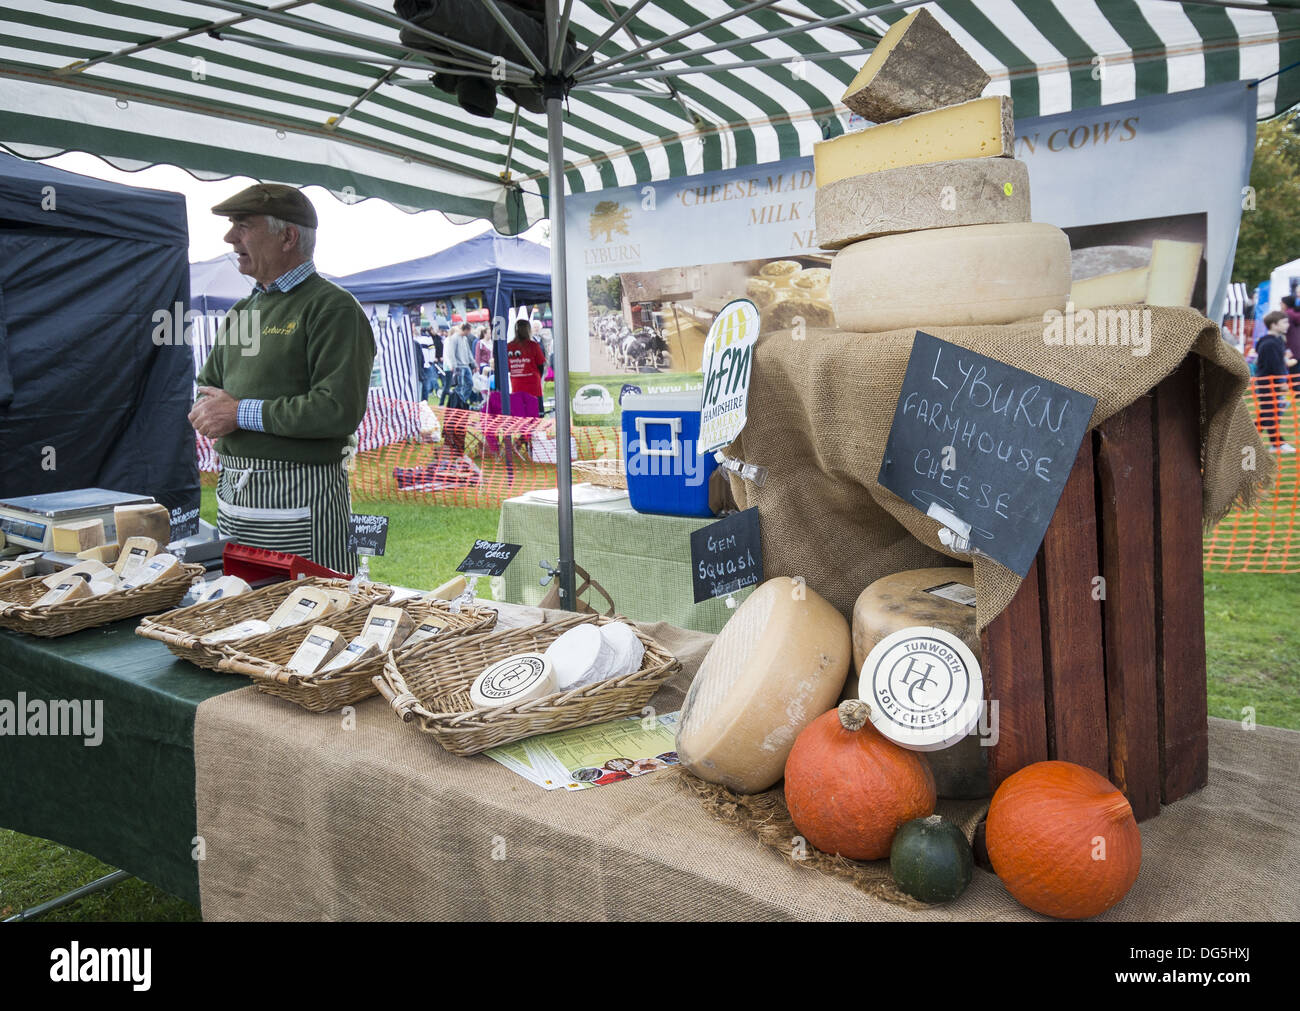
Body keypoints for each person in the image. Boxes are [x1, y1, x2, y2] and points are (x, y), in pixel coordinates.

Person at [189, 183, 375, 574]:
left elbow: (336, 410)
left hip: (302, 495)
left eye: (243, 225)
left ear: (287, 236)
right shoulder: (244, 310)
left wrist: (240, 414)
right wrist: (209, 411)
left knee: (308, 612)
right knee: (242, 608)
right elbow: (207, 389)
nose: (229, 237)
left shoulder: (332, 307)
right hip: (235, 495)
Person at [1255, 310, 1295, 454]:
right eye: (1284, 322)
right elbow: (1274, 366)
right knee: (1269, 413)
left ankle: (1248, 439)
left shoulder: (1277, 341)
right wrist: (1281, 382)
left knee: (1269, 413)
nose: (1288, 325)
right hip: (1269, 383)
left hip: (1273, 382)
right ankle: (1277, 443)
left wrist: (1285, 359)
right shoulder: (1270, 343)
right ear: (1273, 324)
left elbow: (1279, 362)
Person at [507, 318, 548, 416]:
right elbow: (541, 364)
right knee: (535, 415)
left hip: (517, 384)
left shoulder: (508, 346)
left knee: (520, 415)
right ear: (528, 330)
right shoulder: (533, 345)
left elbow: (508, 367)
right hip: (533, 385)